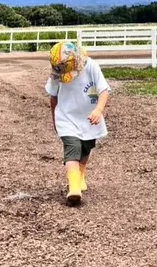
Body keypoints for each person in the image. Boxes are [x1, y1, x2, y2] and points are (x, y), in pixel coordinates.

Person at [45, 41, 110, 206]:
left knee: (86, 147)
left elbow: (104, 90)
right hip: (66, 118)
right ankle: (74, 188)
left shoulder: (91, 66)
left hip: (89, 118)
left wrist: (98, 110)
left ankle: (80, 175)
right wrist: (55, 120)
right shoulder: (57, 75)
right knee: (72, 147)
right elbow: (53, 97)